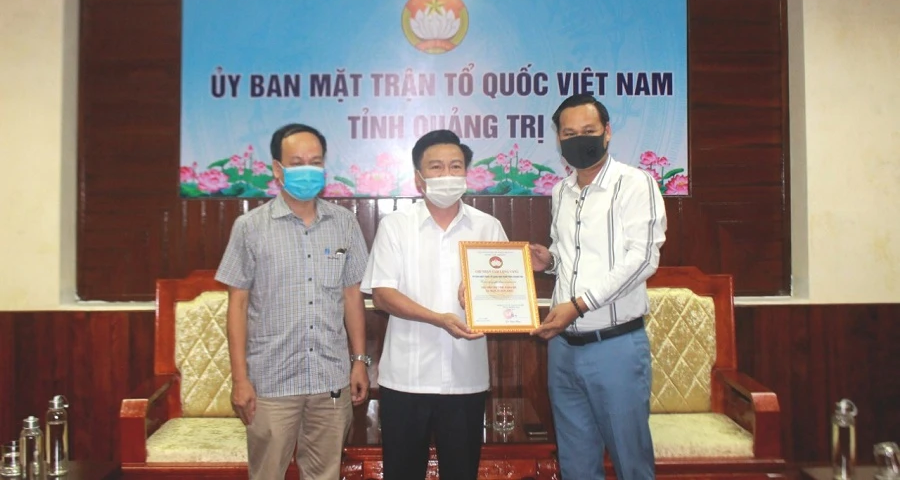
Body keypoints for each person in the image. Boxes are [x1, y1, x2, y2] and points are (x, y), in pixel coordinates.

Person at [216, 123, 371, 480]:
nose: (308, 169)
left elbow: (352, 295)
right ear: (278, 169)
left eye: (315, 162)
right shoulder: (250, 227)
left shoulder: (344, 223)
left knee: (325, 474)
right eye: (297, 162)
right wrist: (240, 379)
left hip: (330, 380)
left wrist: (359, 362)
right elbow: (237, 305)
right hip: (271, 382)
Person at [529, 94, 667, 480]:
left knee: (630, 462)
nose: (579, 140)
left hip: (616, 346)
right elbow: (572, 256)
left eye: (588, 131)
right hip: (563, 349)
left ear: (607, 132)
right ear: (558, 138)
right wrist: (549, 261)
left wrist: (579, 304)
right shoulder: (561, 191)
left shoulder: (636, 184)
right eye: (569, 133)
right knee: (575, 463)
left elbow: (642, 259)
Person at [361, 129, 508, 480]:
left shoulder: (488, 227)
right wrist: (438, 318)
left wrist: (486, 293)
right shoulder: (396, 226)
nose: (447, 174)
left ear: (466, 174)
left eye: (455, 166)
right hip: (406, 379)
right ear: (419, 178)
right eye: (436, 167)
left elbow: (507, 293)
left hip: (465, 379)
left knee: (462, 473)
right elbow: (382, 294)